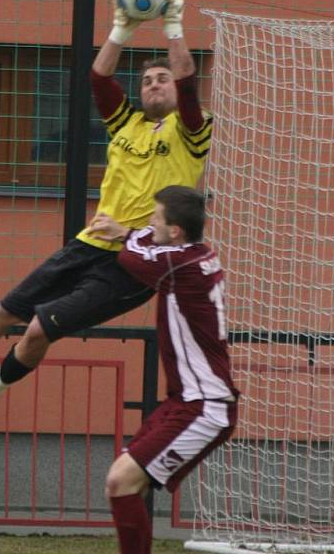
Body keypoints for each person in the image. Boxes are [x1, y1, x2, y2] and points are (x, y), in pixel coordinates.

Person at [0, 0, 213, 420]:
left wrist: (173, 24)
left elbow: (190, 83)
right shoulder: (126, 124)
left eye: (163, 79)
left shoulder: (191, 131)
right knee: (5, 309)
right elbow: (100, 78)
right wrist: (121, 28)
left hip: (135, 260)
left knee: (40, 328)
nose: (156, 84)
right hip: (89, 242)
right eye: (147, 81)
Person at [88, 185, 238, 554]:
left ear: (175, 232)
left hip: (205, 408)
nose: (149, 224)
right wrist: (131, 234)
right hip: (185, 402)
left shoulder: (179, 263)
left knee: (120, 481)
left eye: (155, 219)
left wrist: (124, 234)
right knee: (124, 485)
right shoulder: (193, 256)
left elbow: (132, 258)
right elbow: (145, 247)